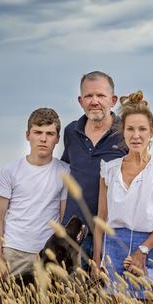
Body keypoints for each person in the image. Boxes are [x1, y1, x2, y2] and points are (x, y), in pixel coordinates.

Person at [93, 91, 153, 299]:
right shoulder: (109, 170)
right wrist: (97, 260)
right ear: (123, 132)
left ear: (152, 132)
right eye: (130, 129)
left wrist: (142, 251)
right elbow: (101, 219)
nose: (136, 135)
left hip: (148, 247)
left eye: (142, 129)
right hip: (112, 249)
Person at [0, 108, 70, 279]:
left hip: (48, 253)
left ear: (57, 138)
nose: (43, 138)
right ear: (28, 135)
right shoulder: (10, 171)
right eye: (37, 132)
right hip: (14, 252)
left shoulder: (64, 172)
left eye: (50, 133)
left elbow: (63, 217)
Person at [61, 71, 127, 268]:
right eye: (88, 96)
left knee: (110, 296)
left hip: (112, 232)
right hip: (74, 232)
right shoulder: (71, 132)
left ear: (113, 100)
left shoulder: (126, 132)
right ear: (80, 101)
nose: (94, 101)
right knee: (73, 295)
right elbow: (66, 171)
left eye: (101, 95)